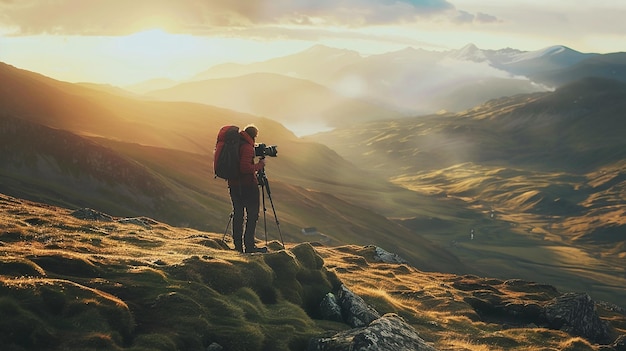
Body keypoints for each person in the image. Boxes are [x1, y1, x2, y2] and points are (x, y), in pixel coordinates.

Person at [228, 124, 267, 253]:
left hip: (233, 185)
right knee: (252, 215)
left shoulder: (236, 144)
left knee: (238, 214)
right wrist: (259, 165)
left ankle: (237, 246)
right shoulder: (247, 148)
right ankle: (249, 246)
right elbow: (245, 168)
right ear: (254, 136)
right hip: (247, 186)